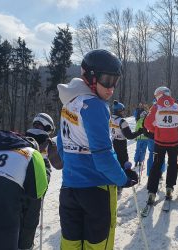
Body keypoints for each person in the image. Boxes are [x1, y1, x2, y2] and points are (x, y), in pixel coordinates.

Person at [56, 49, 138, 250]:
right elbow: (102, 155)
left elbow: (61, 145)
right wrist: (122, 178)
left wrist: (74, 168)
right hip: (97, 189)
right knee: (98, 246)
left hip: (69, 189)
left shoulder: (70, 103)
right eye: (106, 80)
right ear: (90, 77)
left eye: (115, 81)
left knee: (70, 244)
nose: (111, 88)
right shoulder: (95, 106)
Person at [18, 113, 55, 250]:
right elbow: (58, 164)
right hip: (37, 182)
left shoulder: (22, 136)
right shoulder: (47, 139)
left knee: (18, 214)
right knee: (31, 218)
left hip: (18, 179)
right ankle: (26, 245)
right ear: (47, 126)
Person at [144, 87, 178, 204]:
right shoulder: (177, 106)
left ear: (159, 95)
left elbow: (147, 124)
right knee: (172, 163)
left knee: (157, 165)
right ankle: (169, 187)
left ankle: (152, 191)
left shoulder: (156, 106)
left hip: (160, 142)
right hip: (174, 142)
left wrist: (156, 130)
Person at [110, 100, 143, 169]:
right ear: (119, 111)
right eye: (122, 111)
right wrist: (139, 132)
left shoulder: (111, 118)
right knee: (124, 161)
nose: (123, 112)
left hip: (114, 141)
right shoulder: (122, 121)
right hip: (121, 142)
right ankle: (125, 176)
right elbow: (130, 136)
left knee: (118, 158)